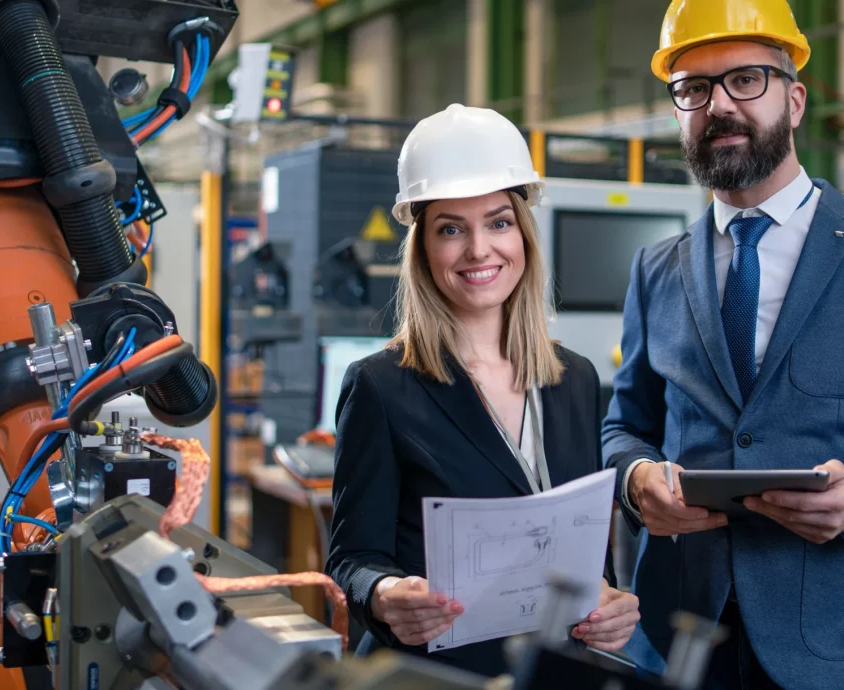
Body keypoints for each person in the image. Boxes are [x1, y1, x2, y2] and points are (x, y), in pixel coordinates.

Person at [325, 103, 640, 678]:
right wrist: (385, 592)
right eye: (452, 229)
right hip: (432, 673)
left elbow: (584, 547)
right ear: (422, 247)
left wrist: (609, 606)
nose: (479, 250)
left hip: (551, 670)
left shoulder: (574, 379)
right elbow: (352, 559)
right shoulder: (381, 386)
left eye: (498, 222)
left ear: (523, 233)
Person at [602, 1, 844, 689]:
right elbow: (626, 425)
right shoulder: (658, 269)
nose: (718, 106)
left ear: (795, 101)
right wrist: (638, 479)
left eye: (746, 80)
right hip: (678, 636)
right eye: (694, 88)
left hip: (825, 638)